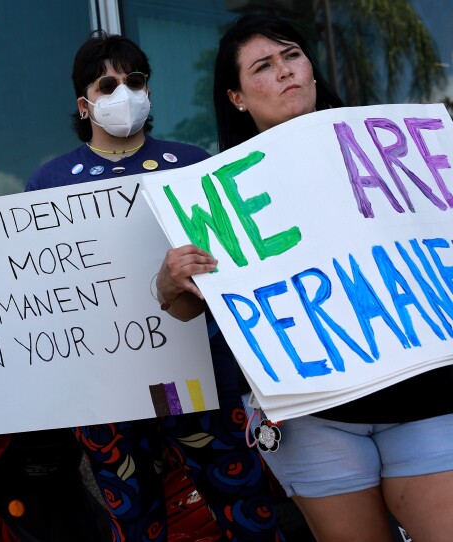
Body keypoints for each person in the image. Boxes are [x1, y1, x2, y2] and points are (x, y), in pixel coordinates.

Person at [158, 14, 453, 542]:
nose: (285, 72)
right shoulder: (219, 197)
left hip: (423, 398)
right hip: (314, 419)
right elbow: (185, 307)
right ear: (238, 97)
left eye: (291, 56)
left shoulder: (387, 152)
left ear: (312, 67)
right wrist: (170, 280)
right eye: (263, 67)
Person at [27, 31, 283, 542]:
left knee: (246, 510)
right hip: (106, 390)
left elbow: (233, 264)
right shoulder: (49, 183)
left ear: (150, 91)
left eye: (135, 80)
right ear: (85, 104)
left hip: (202, 371)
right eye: (107, 84)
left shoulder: (193, 164)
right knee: (136, 523)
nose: (124, 92)